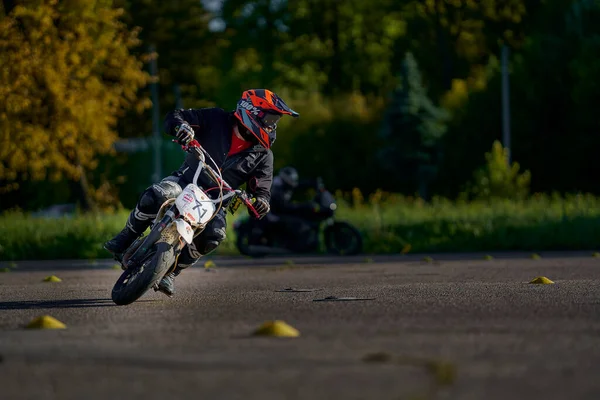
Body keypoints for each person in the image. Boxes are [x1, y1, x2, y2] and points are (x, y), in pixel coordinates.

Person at [104, 89, 299, 296]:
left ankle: (172, 272)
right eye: (269, 119)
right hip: (185, 180)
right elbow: (175, 116)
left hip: (215, 202)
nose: (272, 126)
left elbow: (262, 190)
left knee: (214, 236)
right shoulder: (216, 118)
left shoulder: (264, 155)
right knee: (156, 196)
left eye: (274, 121)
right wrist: (182, 127)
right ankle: (127, 236)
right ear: (251, 111)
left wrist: (261, 201)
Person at [267, 166, 320, 250]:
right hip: (273, 214)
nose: (293, 181)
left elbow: (299, 185)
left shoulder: (284, 184)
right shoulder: (277, 188)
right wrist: (301, 206)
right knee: (299, 223)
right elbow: (283, 206)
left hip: (279, 211)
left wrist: (312, 183)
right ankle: (293, 246)